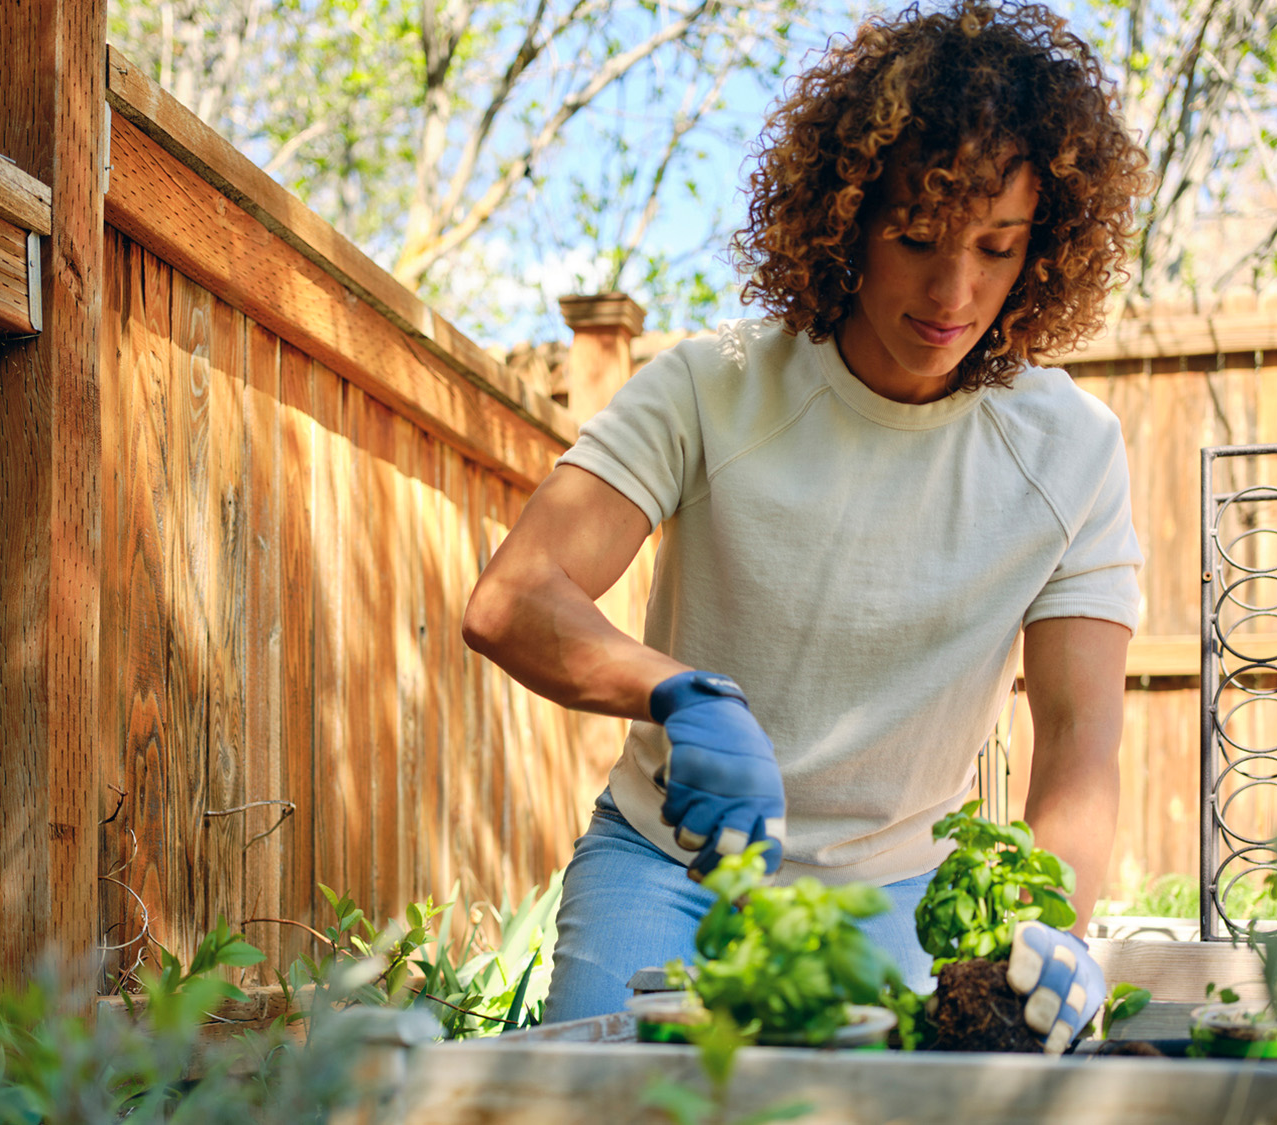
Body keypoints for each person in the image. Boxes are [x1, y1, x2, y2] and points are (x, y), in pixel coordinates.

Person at [461, 0, 1150, 1053]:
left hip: (892, 904)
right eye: (915, 236)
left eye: (996, 248)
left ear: (1041, 250)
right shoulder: (715, 385)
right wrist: (672, 693)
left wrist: (1051, 925)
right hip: (666, 872)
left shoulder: (1070, 453)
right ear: (844, 218)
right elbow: (513, 598)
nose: (952, 290)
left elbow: (1076, 737)